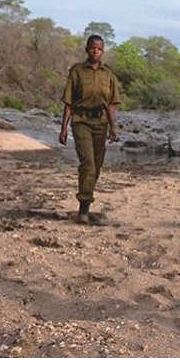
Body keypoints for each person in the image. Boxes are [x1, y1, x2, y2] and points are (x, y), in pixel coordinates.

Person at [58, 34, 121, 224]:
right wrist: (63, 128)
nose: (96, 51)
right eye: (93, 48)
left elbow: (110, 103)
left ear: (103, 51)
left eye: (99, 49)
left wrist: (113, 126)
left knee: (97, 166)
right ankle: (83, 209)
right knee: (88, 164)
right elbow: (68, 102)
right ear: (87, 49)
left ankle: (86, 204)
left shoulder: (108, 74)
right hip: (81, 121)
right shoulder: (77, 72)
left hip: (100, 122)